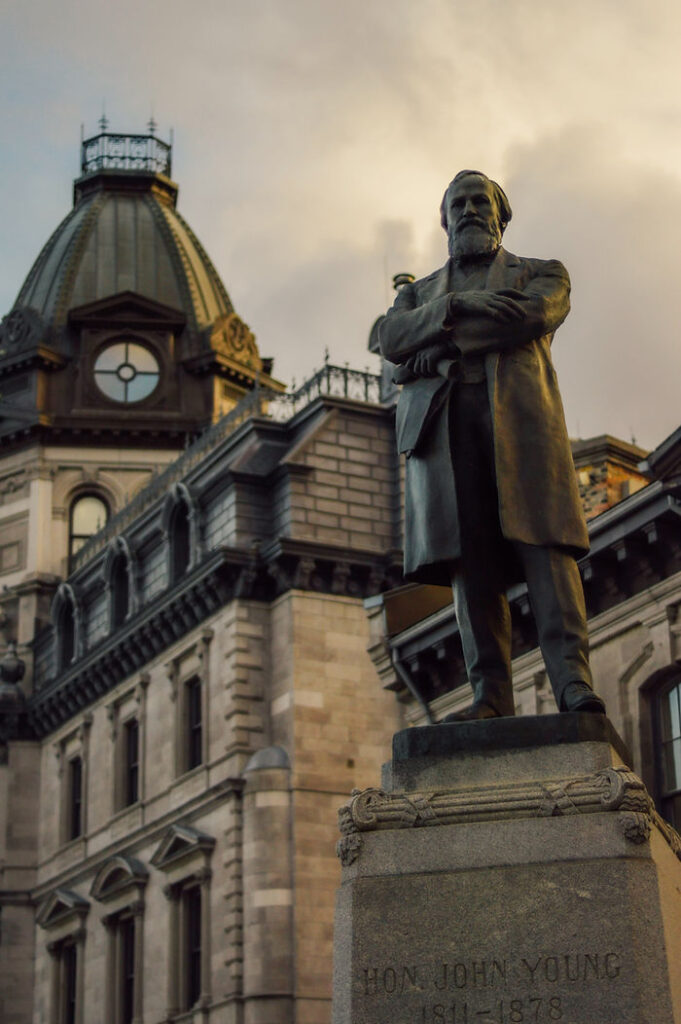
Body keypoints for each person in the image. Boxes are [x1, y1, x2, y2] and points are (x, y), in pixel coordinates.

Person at [379, 170, 605, 720]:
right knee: (470, 562)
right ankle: (490, 696)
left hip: (523, 430)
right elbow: (392, 340)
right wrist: (459, 306)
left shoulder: (542, 273)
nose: (469, 210)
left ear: (501, 215)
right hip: (447, 434)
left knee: (546, 550)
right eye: (458, 204)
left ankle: (573, 683)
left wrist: (439, 344)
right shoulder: (418, 293)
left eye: (481, 201)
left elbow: (532, 316)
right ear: (444, 220)